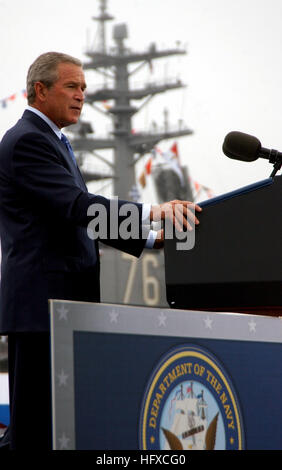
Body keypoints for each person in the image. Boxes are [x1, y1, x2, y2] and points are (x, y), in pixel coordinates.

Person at [0, 52, 202, 449]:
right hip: (41, 310)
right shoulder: (27, 142)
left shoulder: (51, 140)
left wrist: (148, 237)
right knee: (35, 433)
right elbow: (77, 206)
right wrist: (153, 212)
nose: (81, 96)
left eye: (84, 88)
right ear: (40, 91)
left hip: (64, 307)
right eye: (72, 86)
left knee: (59, 430)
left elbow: (78, 215)